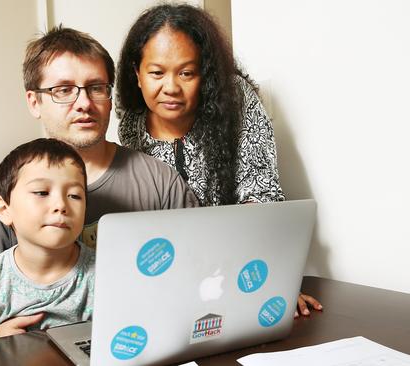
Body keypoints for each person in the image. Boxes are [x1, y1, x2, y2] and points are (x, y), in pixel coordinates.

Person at [0, 26, 199, 340]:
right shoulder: (15, 188)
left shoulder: (160, 181)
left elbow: (199, 274)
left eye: (96, 87)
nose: (83, 102)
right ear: (34, 102)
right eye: (63, 89)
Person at [116, 4, 321, 316]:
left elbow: (260, 193)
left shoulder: (236, 99)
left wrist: (273, 281)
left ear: (205, 73)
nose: (170, 87)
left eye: (186, 73)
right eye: (156, 73)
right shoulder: (131, 122)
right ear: (137, 73)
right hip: (168, 284)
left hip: (239, 271)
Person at [0, 138, 94, 346]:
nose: (61, 205)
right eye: (42, 192)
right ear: (4, 210)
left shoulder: (103, 273)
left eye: (75, 195)